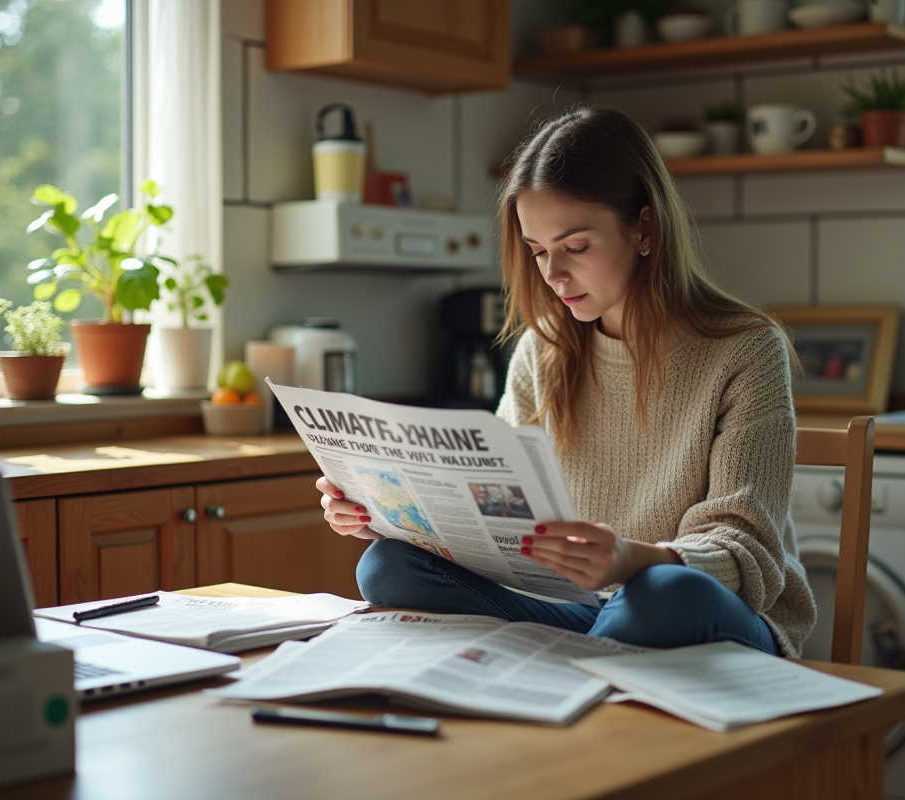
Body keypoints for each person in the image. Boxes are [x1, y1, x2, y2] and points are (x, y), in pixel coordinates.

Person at [317, 105, 815, 658]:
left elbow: (746, 552)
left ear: (644, 227)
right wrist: (390, 512)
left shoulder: (745, 349)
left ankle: (553, 671)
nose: (552, 275)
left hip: (700, 608)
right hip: (575, 611)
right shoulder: (542, 349)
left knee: (660, 593)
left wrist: (629, 561)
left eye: (575, 247)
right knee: (388, 566)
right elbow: (495, 512)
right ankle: (584, 668)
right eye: (538, 252)